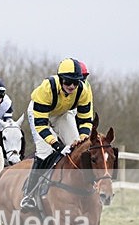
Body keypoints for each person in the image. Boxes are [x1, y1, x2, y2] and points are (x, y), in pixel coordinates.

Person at [20, 58, 93, 212]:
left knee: (79, 149)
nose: (72, 86)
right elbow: (41, 124)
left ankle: (83, 187)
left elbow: (86, 121)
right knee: (45, 152)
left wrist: (82, 138)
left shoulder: (83, 90)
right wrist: (57, 145)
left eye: (76, 82)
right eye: (68, 82)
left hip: (61, 113)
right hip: (40, 114)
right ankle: (29, 194)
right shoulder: (46, 89)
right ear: (60, 79)